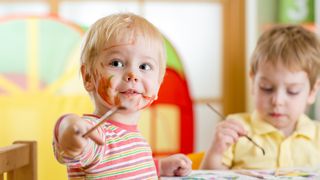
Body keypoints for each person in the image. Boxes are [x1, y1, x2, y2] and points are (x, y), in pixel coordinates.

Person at [52, 12, 192, 179]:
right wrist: (69, 128)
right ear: (88, 77)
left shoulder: (133, 136)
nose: (132, 74)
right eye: (116, 63)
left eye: (144, 66)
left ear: (158, 83)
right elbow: (70, 144)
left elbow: (126, 167)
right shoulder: (96, 135)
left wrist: (159, 166)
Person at [201, 25, 320, 170]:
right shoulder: (236, 130)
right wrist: (216, 152)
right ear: (253, 82)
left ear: (312, 91)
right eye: (267, 88)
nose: (277, 101)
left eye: (292, 91)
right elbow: (209, 177)